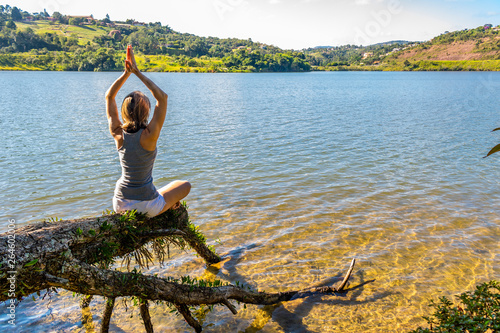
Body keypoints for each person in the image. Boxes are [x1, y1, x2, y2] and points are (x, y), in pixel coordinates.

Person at [105, 45, 191, 217]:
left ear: (124, 111)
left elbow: (109, 97)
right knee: (185, 185)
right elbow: (162, 98)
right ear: (146, 112)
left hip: (120, 203)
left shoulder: (118, 133)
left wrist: (126, 73)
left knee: (159, 188)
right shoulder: (150, 135)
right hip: (148, 207)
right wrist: (137, 72)